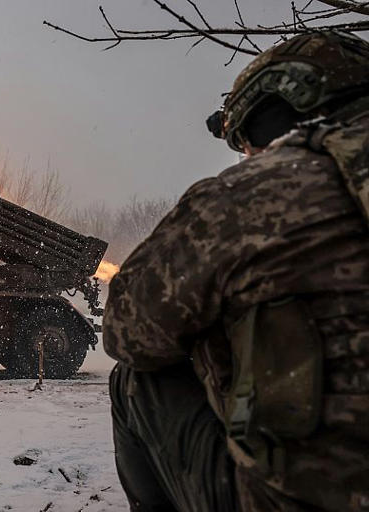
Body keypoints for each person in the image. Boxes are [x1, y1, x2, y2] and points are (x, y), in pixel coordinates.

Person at [103, 30, 369, 512]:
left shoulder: (248, 198)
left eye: (245, 143)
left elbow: (128, 331)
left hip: (299, 500)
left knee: (135, 380)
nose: (246, 157)